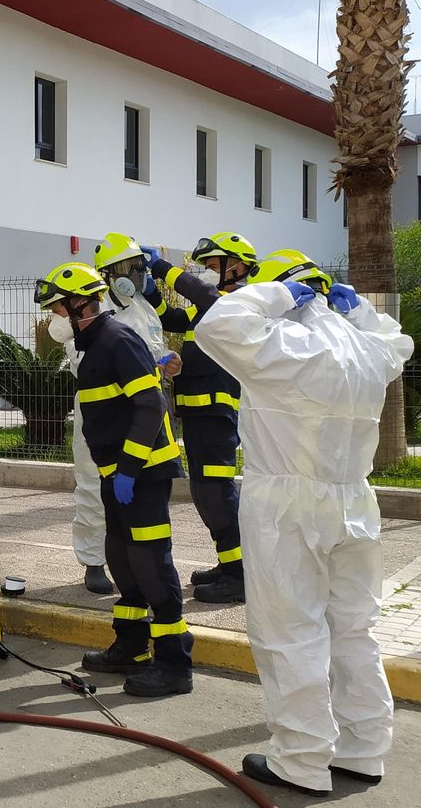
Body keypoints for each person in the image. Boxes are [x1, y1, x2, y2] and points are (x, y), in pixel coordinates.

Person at [196, 250, 411, 796]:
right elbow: (397, 344)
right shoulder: (365, 350)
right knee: (353, 629)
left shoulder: (281, 345)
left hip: (284, 505)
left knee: (291, 631)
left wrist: (275, 293)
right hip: (353, 503)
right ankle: (364, 750)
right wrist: (358, 308)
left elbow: (216, 324)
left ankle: (302, 759)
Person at [36, 263, 192, 697]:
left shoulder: (118, 340)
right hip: (116, 475)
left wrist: (127, 469)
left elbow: (149, 405)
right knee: (121, 559)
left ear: (81, 305)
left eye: (58, 309)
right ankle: (131, 645)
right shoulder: (94, 345)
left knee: (151, 562)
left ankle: (175, 663)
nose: (55, 319)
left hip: (141, 473)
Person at [146, 232, 257, 604]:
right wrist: (149, 292)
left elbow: (205, 296)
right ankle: (229, 565)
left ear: (236, 267)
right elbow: (175, 319)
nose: (206, 273)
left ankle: (240, 575)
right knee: (205, 494)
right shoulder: (211, 306)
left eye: (211, 265)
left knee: (216, 493)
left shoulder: (235, 300)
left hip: (215, 414)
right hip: (196, 411)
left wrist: (161, 267)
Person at [68, 233, 180, 595]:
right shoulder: (90, 312)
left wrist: (167, 366)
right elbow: (82, 364)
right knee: (92, 486)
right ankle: (93, 561)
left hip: (146, 410)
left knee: (145, 493)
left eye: (137, 266)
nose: (134, 274)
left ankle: (138, 560)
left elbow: (156, 348)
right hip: (104, 411)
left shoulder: (144, 306)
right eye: (126, 268)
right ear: (108, 274)